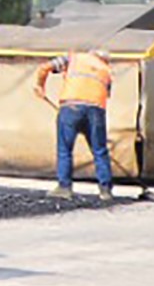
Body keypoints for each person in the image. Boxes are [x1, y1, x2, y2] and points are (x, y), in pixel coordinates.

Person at [33, 46, 118, 199]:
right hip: (96, 110)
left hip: (71, 108)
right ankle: (105, 190)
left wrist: (40, 85)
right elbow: (107, 95)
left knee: (65, 149)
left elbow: (45, 67)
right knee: (100, 151)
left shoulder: (74, 58)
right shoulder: (106, 70)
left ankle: (64, 187)